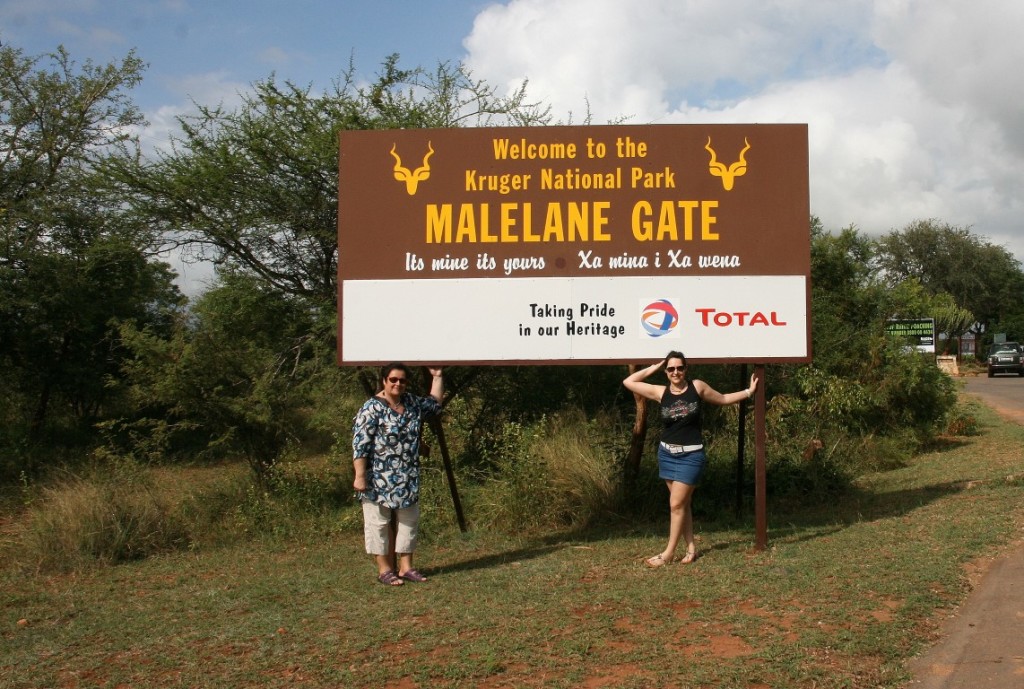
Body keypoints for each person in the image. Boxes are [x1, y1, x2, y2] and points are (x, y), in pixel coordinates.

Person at [623, 351, 757, 567]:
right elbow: (629, 381)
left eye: (680, 368)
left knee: (676, 504)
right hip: (666, 454)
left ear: (686, 369)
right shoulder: (661, 392)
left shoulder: (697, 387)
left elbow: (722, 399)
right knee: (682, 505)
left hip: (691, 456)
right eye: (671, 368)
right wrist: (655, 367)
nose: (676, 372)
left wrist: (748, 392)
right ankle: (691, 548)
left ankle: (667, 554)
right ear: (667, 372)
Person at [353, 363, 443, 586]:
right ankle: (385, 569)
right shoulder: (371, 408)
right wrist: (360, 475)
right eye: (393, 379)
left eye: (402, 380)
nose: (397, 384)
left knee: (408, 522)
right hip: (378, 478)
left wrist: (438, 376)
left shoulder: (411, 403)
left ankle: (406, 567)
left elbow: (433, 404)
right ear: (384, 380)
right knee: (378, 523)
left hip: (407, 477)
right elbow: (360, 444)